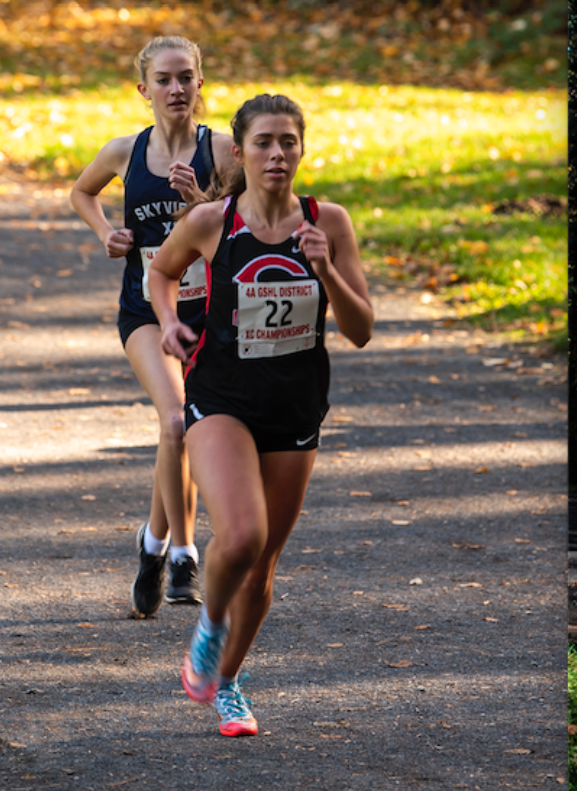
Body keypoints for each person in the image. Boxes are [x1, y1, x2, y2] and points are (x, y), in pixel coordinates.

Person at [147, 94, 374, 737]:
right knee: (240, 537)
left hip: (295, 406)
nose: (277, 154)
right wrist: (168, 324)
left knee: (265, 560)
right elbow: (160, 276)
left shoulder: (328, 221)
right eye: (264, 143)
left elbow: (360, 329)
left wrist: (326, 268)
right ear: (240, 153)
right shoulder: (213, 221)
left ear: (303, 148)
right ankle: (209, 626)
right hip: (221, 396)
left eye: (288, 142)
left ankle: (228, 683)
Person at [71, 36, 235, 615]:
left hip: (207, 315)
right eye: (164, 80)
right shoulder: (125, 151)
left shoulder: (225, 150)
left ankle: (151, 543)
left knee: (183, 427)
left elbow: (241, 231)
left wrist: (202, 199)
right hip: (145, 311)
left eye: (186, 77)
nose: (176, 89)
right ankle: (185, 555)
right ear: (145, 90)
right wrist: (106, 235)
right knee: (174, 418)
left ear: (200, 82)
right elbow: (81, 192)